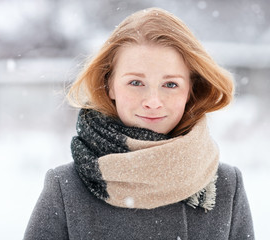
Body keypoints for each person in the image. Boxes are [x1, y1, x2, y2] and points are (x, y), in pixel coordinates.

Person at [24, 7, 254, 240]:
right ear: (110, 84)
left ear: (190, 90)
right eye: (136, 82)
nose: (153, 102)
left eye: (170, 84)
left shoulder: (225, 187)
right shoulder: (66, 189)